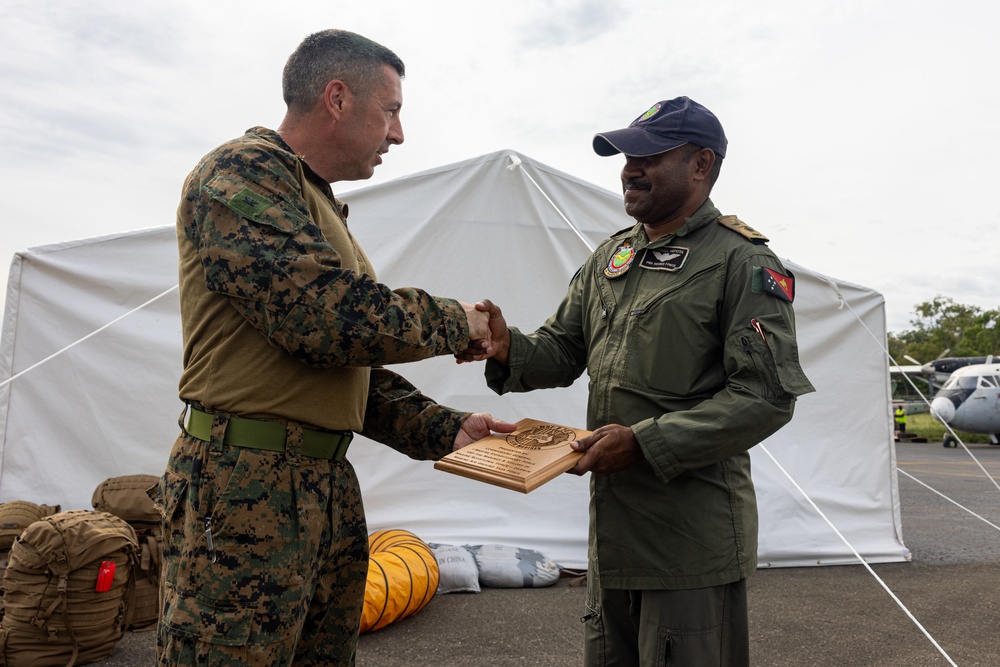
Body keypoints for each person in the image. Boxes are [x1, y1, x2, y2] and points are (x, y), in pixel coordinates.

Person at [155, 29, 514, 666]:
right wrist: (460, 322)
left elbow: (341, 365)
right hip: (243, 487)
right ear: (338, 98)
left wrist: (447, 430)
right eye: (392, 110)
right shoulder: (240, 174)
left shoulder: (314, 203)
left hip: (318, 486)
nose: (398, 134)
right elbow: (322, 320)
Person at [467, 96, 815, 666]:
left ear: (701, 165)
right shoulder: (614, 255)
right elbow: (564, 348)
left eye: (649, 155)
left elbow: (765, 397)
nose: (630, 167)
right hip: (616, 534)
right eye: (626, 155)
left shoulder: (743, 262)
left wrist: (644, 442)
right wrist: (509, 347)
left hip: (689, 540)